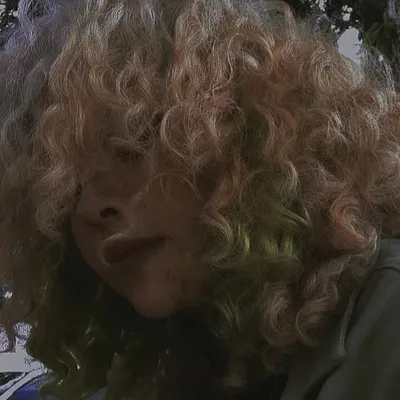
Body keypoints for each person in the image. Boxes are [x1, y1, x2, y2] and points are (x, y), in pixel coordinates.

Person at [0, 0, 399, 399]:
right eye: (62, 183)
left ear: (247, 130)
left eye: (133, 141)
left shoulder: (386, 322)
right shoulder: (157, 370)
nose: (90, 207)